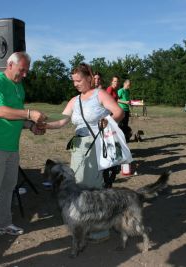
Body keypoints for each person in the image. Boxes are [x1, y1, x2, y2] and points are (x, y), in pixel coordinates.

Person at [45, 63, 124, 241]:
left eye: (78, 80)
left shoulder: (100, 94)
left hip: (95, 144)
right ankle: (85, 225)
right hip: (78, 146)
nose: (75, 84)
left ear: (89, 78)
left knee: (92, 190)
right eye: (73, 81)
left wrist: (108, 121)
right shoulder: (74, 100)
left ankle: (100, 231)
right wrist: (43, 125)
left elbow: (119, 112)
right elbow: (60, 121)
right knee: (77, 186)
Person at [0, 52, 46, 247]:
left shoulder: (19, 87)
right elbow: (0, 111)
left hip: (10, 146)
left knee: (8, 187)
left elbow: (15, 116)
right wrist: (30, 114)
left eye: (26, 71)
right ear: (9, 65)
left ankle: (4, 224)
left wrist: (30, 126)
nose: (24, 75)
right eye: (21, 70)